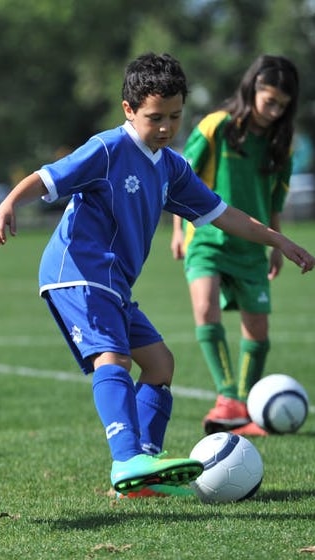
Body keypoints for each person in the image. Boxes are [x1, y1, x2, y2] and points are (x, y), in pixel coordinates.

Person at [0, 53, 314, 498]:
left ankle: (144, 470)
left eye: (175, 116)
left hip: (114, 282)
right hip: (78, 270)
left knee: (160, 365)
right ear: (128, 110)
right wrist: (7, 204)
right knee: (114, 357)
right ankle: (126, 460)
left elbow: (222, 214)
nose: (166, 127)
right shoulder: (108, 149)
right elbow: (48, 178)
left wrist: (276, 239)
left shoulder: (171, 166)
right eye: (155, 117)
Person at [170, 55, 299, 437]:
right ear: (252, 90)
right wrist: (179, 230)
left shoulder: (281, 145)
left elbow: (274, 200)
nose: (273, 110)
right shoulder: (217, 126)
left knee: (257, 328)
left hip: (252, 246)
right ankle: (228, 397)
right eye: (269, 100)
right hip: (207, 237)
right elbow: (181, 178)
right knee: (205, 307)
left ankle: (247, 406)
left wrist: (275, 245)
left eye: (282, 106)